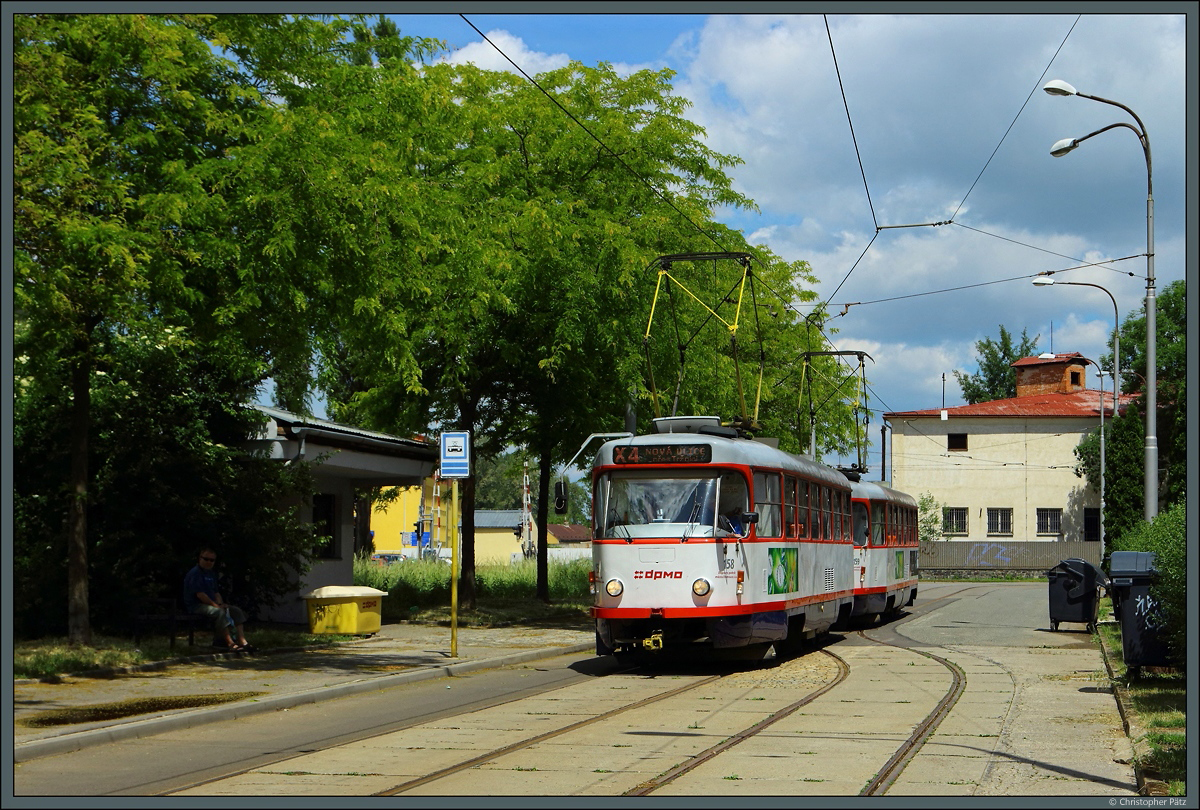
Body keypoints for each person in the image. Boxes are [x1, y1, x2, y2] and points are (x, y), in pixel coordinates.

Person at [183, 548, 255, 652]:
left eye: (212, 560)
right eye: (206, 559)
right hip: (197, 606)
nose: (208, 562)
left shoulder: (211, 574)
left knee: (235, 611)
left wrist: (221, 603)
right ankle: (230, 643)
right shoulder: (195, 573)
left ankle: (243, 642)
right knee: (220, 612)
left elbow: (216, 593)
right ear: (200, 558)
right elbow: (201, 596)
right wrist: (216, 606)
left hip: (211, 604)